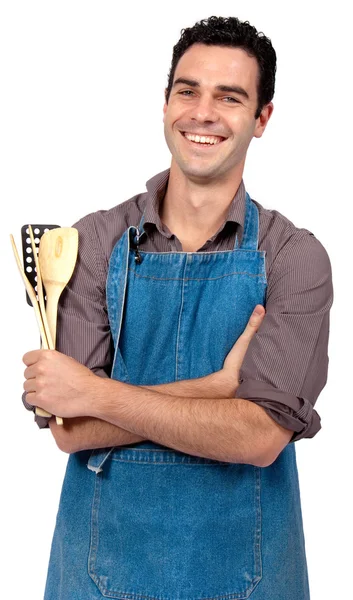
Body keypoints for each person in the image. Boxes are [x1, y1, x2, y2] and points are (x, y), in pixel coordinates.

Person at [23, 15, 333, 600]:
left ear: (262, 118)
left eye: (230, 96)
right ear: (165, 102)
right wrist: (220, 388)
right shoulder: (89, 244)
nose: (203, 113)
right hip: (98, 565)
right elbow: (69, 430)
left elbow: (259, 437)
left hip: (252, 572)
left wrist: (95, 393)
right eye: (187, 90)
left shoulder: (295, 258)